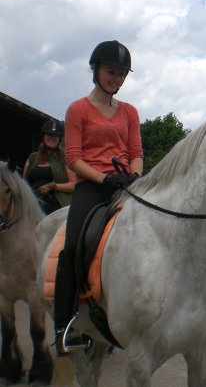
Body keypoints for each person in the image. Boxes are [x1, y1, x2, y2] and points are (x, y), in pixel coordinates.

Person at [54, 40, 143, 355]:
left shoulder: (130, 112)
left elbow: (135, 153)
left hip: (125, 185)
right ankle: (64, 325)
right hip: (91, 187)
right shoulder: (77, 109)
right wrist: (104, 177)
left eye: (121, 74)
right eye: (111, 72)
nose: (116, 79)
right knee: (74, 246)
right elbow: (73, 159)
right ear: (95, 69)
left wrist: (133, 176)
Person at [23, 119, 75, 214]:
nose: (52, 138)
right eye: (49, 135)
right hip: (31, 201)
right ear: (43, 136)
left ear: (60, 138)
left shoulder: (65, 158)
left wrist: (53, 186)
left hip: (56, 202)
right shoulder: (32, 157)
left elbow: (73, 185)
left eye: (55, 136)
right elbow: (24, 183)